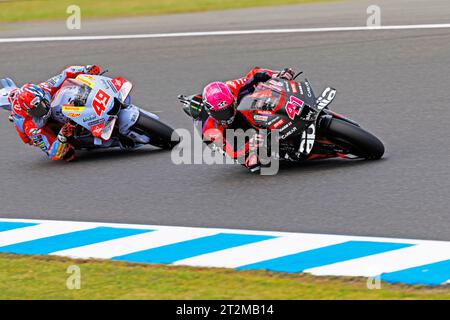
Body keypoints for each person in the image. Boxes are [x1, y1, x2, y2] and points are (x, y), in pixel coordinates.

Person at [200, 67, 295, 171]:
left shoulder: (231, 87)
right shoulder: (209, 131)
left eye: (228, 110)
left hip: (240, 111)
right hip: (228, 133)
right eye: (220, 114)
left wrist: (276, 75)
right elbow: (231, 152)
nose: (226, 116)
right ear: (210, 113)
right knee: (253, 163)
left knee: (259, 87)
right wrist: (249, 145)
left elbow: (255, 74)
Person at [8, 65, 101, 161]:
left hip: (46, 103)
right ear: (29, 112)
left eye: (41, 106)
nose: (41, 112)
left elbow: (66, 73)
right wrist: (62, 136)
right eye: (36, 111)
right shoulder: (31, 126)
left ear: (43, 96)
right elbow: (52, 153)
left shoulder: (46, 88)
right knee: (68, 155)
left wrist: (85, 69)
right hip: (35, 127)